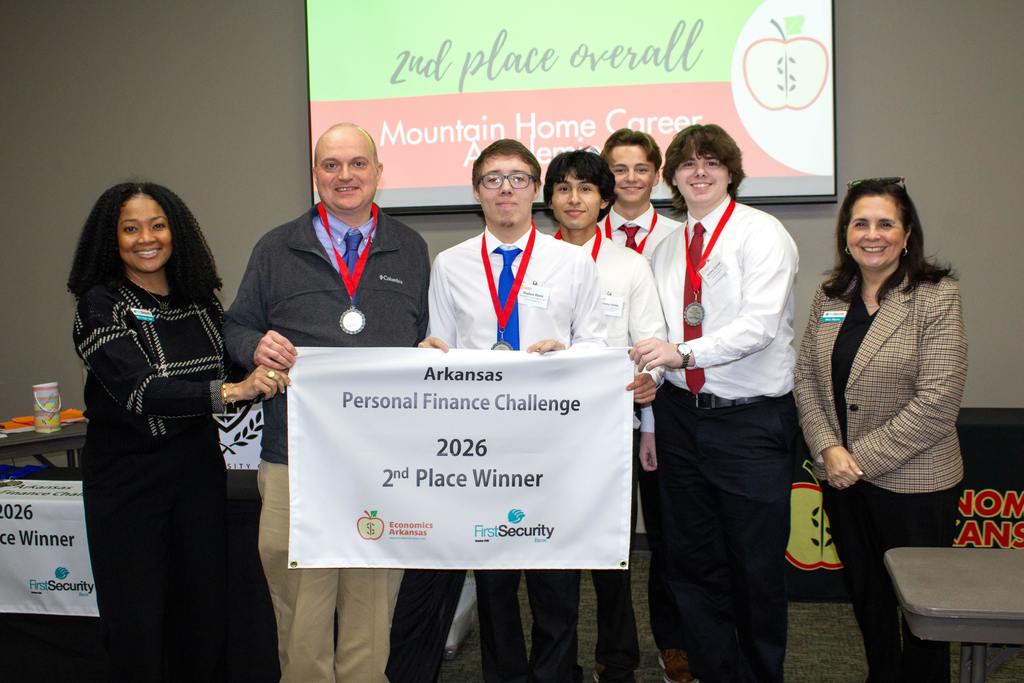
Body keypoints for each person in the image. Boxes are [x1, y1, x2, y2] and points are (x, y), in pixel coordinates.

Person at [224, 123, 430, 682]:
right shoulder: (276, 247)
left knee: (370, 610)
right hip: (296, 459)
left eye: (358, 164)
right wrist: (253, 345)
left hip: (381, 465)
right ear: (316, 174)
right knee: (301, 613)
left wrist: (427, 351)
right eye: (332, 165)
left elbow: (423, 335)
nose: (346, 176)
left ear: (379, 173)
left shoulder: (409, 248)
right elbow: (236, 326)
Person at [68, 182, 286, 682]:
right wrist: (235, 391)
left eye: (158, 224)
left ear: (176, 232)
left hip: (196, 475)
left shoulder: (200, 300)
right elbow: (139, 391)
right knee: (137, 625)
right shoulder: (99, 305)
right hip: (127, 483)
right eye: (130, 228)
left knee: (202, 618)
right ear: (111, 238)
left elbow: (237, 352)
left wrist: (286, 354)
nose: (146, 237)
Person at [419, 139, 612, 682]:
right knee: (495, 580)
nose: (506, 189)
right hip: (484, 446)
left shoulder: (572, 263)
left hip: (554, 441)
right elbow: (443, 345)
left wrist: (569, 356)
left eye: (518, 178)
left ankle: (554, 674)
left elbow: (597, 345)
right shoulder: (450, 264)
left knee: (555, 577)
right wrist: (432, 354)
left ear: (536, 190)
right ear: (477, 191)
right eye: (493, 179)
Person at [630, 123, 800, 683]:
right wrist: (653, 407)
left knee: (754, 567)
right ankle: (712, 672)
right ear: (672, 177)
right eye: (687, 164)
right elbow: (652, 333)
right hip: (681, 421)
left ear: (731, 171)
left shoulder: (763, 233)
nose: (699, 172)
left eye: (711, 162)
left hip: (749, 422)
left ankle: (758, 675)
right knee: (692, 564)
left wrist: (681, 353)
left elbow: (759, 327)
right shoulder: (665, 245)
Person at [794, 177, 967, 682]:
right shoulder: (829, 297)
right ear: (845, 233)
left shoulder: (936, 297)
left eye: (885, 223)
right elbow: (806, 379)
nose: (873, 234)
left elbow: (938, 401)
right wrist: (828, 447)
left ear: (907, 232)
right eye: (860, 223)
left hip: (915, 483)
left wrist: (857, 459)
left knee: (923, 610)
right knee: (867, 597)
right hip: (842, 480)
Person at [543, 149, 666, 682]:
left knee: (611, 555)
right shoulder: (530, 261)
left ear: (604, 199)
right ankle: (557, 665)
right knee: (552, 558)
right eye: (564, 188)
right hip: (541, 431)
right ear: (549, 199)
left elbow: (651, 338)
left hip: (608, 429)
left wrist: (650, 379)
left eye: (586, 189)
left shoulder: (628, 264)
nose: (575, 199)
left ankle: (618, 662)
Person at [601, 128, 692, 683]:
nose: (629, 179)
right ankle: (615, 652)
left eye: (640, 168)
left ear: (658, 174)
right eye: (617, 169)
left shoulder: (682, 238)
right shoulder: (572, 241)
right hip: (601, 416)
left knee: (668, 536)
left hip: (671, 410)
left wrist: (655, 373)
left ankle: (674, 642)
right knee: (609, 537)